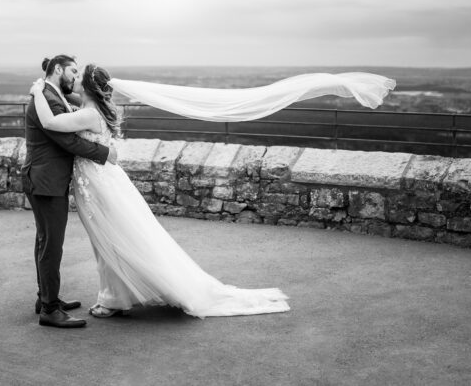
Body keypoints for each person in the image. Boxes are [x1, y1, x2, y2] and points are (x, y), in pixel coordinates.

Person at [29, 63, 291, 318]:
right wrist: (53, 87)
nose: (73, 79)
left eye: (78, 76)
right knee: (110, 239)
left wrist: (38, 90)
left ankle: (113, 299)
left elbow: (50, 122)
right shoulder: (91, 106)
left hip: (98, 186)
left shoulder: (88, 114)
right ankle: (115, 295)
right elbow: (67, 96)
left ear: (87, 87)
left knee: (110, 241)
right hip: (101, 181)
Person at [22, 55, 118, 328]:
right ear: (58, 69)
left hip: (47, 180)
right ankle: (50, 309)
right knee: (51, 245)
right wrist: (105, 152)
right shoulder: (47, 97)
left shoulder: (53, 94)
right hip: (46, 181)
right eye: (72, 71)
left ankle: (46, 298)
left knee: (45, 241)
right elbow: (69, 142)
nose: (75, 77)